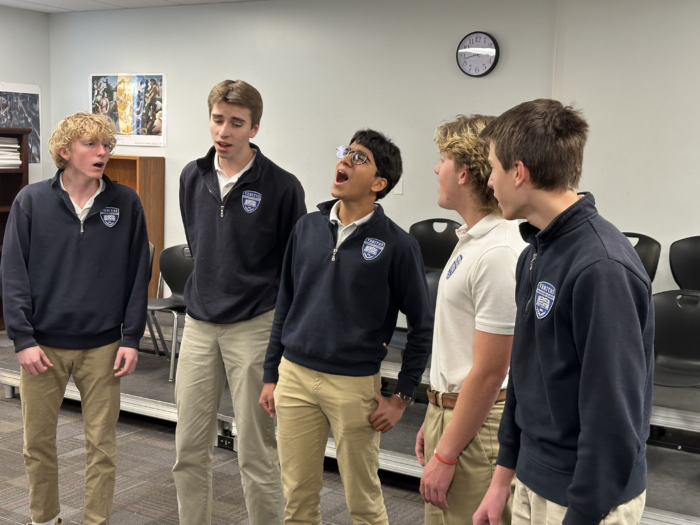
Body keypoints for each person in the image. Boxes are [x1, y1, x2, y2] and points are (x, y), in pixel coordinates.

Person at [473, 99, 653, 525]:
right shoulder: (534, 253)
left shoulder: (601, 266)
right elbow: (524, 372)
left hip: (585, 499)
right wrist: (503, 480)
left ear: (519, 172)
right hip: (533, 480)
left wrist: (583, 512)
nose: (489, 180)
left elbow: (613, 416)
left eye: (493, 167)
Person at [259, 130, 434, 525]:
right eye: (346, 152)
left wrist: (402, 397)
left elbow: (423, 326)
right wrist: (272, 375)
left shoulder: (398, 245)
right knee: (297, 500)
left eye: (359, 158)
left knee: (363, 502)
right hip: (295, 378)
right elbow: (285, 303)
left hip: (354, 386)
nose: (345, 161)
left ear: (378, 184)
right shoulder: (306, 228)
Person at [0, 112, 150, 525]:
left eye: (106, 145)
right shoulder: (31, 201)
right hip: (42, 346)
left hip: (103, 346)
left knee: (102, 446)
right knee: (37, 444)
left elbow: (140, 274)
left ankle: (95, 521)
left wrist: (132, 337)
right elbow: (13, 271)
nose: (102, 152)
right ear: (65, 152)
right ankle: (44, 519)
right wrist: (23, 339)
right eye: (91, 144)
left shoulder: (126, 202)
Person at [173, 79, 306, 525]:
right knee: (188, 448)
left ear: (255, 127)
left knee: (257, 450)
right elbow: (199, 243)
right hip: (198, 324)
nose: (223, 131)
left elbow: (294, 266)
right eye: (217, 119)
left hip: (254, 325)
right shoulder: (192, 175)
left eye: (236, 123)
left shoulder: (283, 187)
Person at [415, 115, 526, 525]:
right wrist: (437, 414)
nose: (435, 169)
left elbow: (490, 371)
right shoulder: (472, 240)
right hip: (455, 412)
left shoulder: (498, 251)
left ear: (463, 172)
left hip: (479, 425)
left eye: (441, 159)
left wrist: (448, 450)